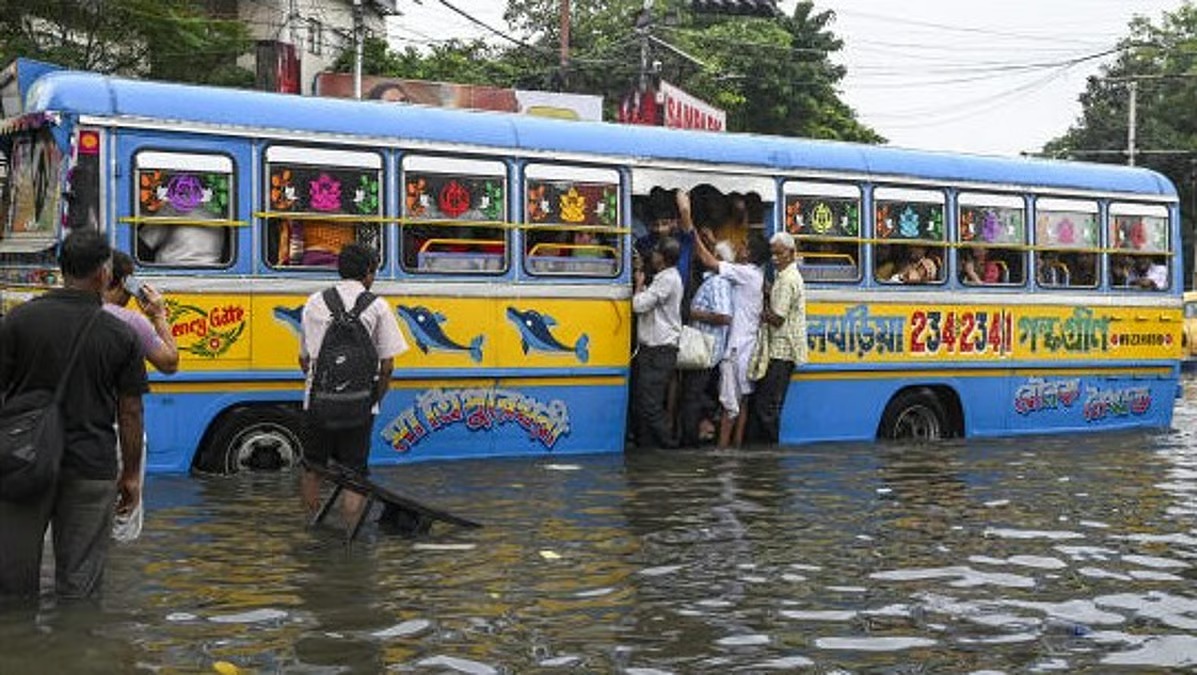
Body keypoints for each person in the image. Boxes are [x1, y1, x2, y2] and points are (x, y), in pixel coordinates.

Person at [0, 229, 148, 603]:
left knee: (12, 589)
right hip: (90, 468)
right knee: (80, 590)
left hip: (21, 465)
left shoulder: (19, 321)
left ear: (61, 268)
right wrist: (130, 475)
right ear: (103, 273)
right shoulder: (119, 334)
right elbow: (130, 412)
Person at [299, 243, 407, 530]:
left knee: (313, 468)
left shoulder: (314, 302)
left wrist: (319, 387)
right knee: (354, 474)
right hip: (360, 405)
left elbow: (304, 358)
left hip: (318, 402)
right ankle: (349, 539)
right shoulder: (378, 306)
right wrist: (375, 398)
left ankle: (312, 528)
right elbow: (387, 367)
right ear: (368, 272)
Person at [679, 191, 766, 449]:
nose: (740, 247)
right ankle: (735, 448)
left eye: (745, 246)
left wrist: (689, 226)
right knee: (741, 403)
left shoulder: (746, 274)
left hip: (736, 350)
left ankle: (723, 454)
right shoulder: (754, 275)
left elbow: (708, 260)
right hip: (747, 347)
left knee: (729, 405)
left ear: (749, 255)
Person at [746, 232, 808, 445]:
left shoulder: (787, 280)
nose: (774, 258)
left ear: (791, 253)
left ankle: (769, 454)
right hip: (782, 350)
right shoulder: (786, 277)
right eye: (772, 254)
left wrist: (756, 309)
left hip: (781, 350)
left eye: (779, 254)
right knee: (767, 404)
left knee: (767, 407)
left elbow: (778, 319)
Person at [677, 235, 734, 447]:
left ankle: (690, 443)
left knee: (692, 397)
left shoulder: (718, 282)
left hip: (705, 350)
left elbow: (724, 316)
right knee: (693, 395)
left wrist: (693, 314)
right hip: (706, 349)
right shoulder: (713, 280)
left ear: (718, 257)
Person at [631, 237, 684, 449]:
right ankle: (649, 446)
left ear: (661, 257)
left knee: (650, 404)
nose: (652, 256)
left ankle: (668, 447)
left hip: (659, 350)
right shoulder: (666, 277)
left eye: (655, 252)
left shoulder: (667, 279)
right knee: (644, 401)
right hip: (654, 350)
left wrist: (639, 285)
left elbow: (639, 305)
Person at [104, 251, 179, 374]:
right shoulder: (132, 321)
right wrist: (158, 315)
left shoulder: (72, 310)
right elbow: (170, 364)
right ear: (125, 283)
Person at [138, 224, 224, 265]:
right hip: (211, 269)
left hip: (170, 268)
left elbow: (144, 243)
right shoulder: (219, 214)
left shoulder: (173, 209)